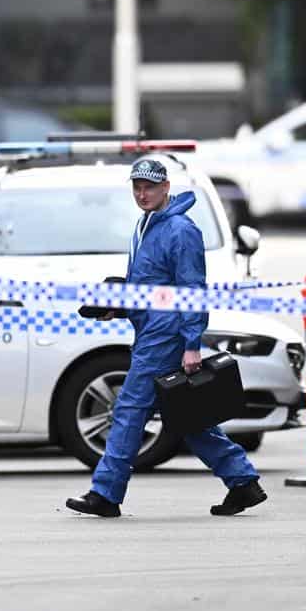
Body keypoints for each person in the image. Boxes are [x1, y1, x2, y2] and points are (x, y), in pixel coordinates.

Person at [66, 157, 265, 518]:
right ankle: (242, 482)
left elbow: (192, 291)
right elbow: (152, 287)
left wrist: (191, 344)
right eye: (137, 188)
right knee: (188, 416)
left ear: (165, 188)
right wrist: (120, 307)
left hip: (165, 337)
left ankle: (106, 494)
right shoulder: (146, 224)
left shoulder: (180, 230)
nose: (142, 194)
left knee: (128, 411)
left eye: (150, 187)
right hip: (153, 332)